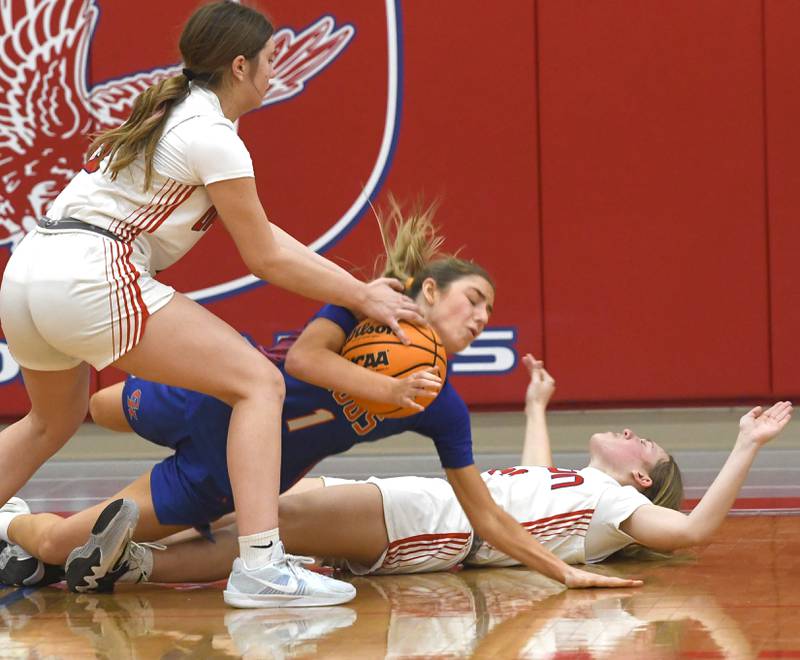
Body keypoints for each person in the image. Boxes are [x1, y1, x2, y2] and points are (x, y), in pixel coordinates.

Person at [0, 1, 421, 608]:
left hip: (28, 268)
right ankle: (262, 567)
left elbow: (269, 236)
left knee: (49, 421)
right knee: (258, 383)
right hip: (89, 272)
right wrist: (360, 294)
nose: (276, 72)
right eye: (271, 59)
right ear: (242, 66)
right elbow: (265, 258)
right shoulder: (212, 135)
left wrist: (357, 289)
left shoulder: (174, 113)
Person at [0, 201, 642, 598]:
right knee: (96, 408)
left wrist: (563, 573)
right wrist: (389, 389)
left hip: (229, 477)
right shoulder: (365, 305)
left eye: (490, 312)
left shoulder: (442, 404)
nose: (480, 317)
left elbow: (488, 516)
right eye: (472, 299)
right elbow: (304, 360)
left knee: (60, 545)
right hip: (210, 394)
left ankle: (13, 529)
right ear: (424, 291)